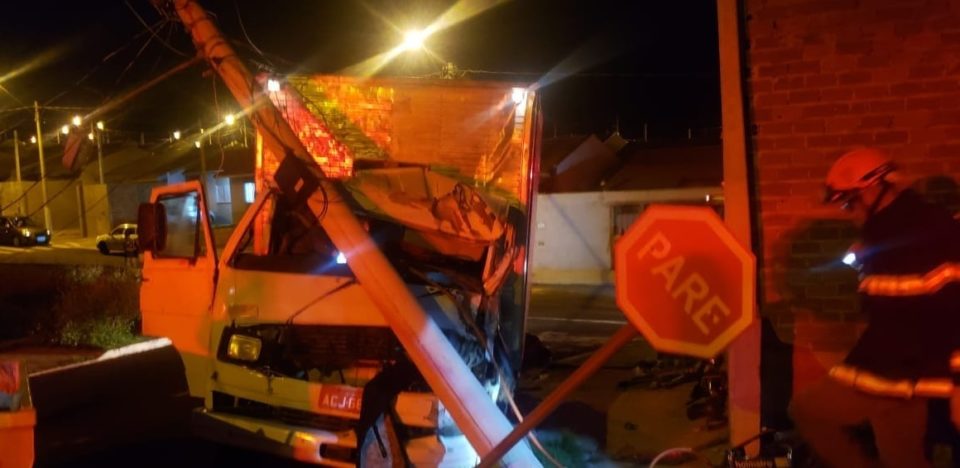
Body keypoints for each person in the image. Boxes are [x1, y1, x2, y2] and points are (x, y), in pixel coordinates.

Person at [790, 147, 960, 467]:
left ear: (873, 187)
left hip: (892, 371)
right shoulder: (884, 231)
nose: (847, 211)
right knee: (902, 459)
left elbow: (953, 309)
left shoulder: (930, 230)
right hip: (902, 374)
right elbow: (892, 300)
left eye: (849, 201)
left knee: (807, 410)